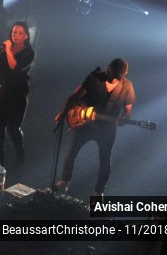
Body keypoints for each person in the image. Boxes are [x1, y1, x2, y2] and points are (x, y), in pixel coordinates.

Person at [53, 58, 136, 197]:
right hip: (84, 124)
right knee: (71, 152)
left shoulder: (127, 87)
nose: (114, 80)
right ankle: (64, 182)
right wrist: (63, 112)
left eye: (118, 78)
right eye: (112, 76)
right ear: (108, 68)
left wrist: (125, 119)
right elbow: (75, 96)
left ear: (125, 74)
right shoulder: (95, 78)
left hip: (107, 129)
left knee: (105, 160)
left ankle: (98, 193)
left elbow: (128, 109)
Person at [0, 22, 35, 169]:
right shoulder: (4, 49)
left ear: (26, 36)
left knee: (13, 128)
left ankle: (20, 154)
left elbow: (14, 66)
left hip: (17, 95)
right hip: (1, 93)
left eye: (20, 33)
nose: (15, 35)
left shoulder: (29, 53)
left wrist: (8, 48)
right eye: (14, 32)